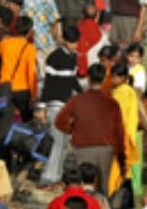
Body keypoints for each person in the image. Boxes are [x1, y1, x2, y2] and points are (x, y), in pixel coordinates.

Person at [54, 63, 126, 193]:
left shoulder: (77, 100)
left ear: (88, 78)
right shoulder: (112, 103)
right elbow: (119, 133)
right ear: (104, 79)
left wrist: (73, 130)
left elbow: (59, 121)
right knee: (103, 189)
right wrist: (122, 158)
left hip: (83, 149)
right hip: (105, 150)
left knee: (82, 188)